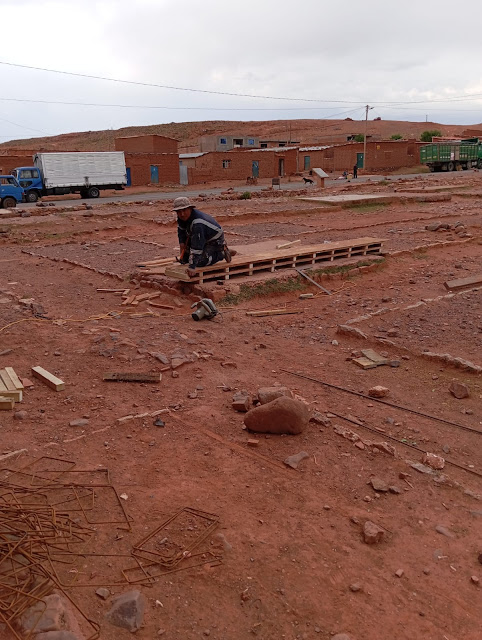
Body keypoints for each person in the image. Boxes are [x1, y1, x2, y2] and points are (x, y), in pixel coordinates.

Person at [173, 197, 235, 277]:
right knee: (187, 259)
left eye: (184, 210)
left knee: (199, 262)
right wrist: (182, 249)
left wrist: (192, 267)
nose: (182, 214)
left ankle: (221, 252)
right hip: (203, 237)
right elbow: (181, 232)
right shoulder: (182, 218)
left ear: (190, 208)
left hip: (214, 241)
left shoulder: (198, 223)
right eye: (178, 211)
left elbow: (197, 246)